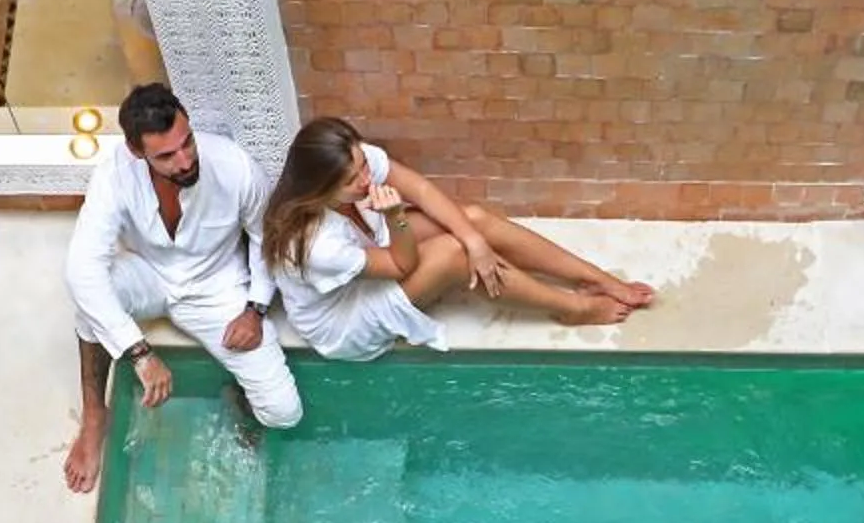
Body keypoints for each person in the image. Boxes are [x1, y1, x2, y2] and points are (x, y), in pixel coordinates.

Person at [64, 83, 299, 491]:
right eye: (167, 156)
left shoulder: (234, 166)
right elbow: (82, 270)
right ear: (138, 153)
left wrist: (256, 307)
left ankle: (239, 399)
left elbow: (267, 237)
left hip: (216, 287)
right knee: (90, 299)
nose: (186, 159)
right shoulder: (115, 175)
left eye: (187, 142)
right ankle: (94, 414)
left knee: (284, 411)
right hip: (148, 273)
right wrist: (138, 354)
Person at [259, 117, 653, 360]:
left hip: (372, 247)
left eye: (364, 167)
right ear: (319, 189)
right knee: (452, 253)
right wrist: (396, 218)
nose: (366, 179)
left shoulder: (350, 160)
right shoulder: (315, 244)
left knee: (473, 221)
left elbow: (425, 193)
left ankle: (595, 277)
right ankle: (571, 308)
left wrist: (477, 241)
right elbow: (402, 264)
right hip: (345, 318)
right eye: (351, 181)